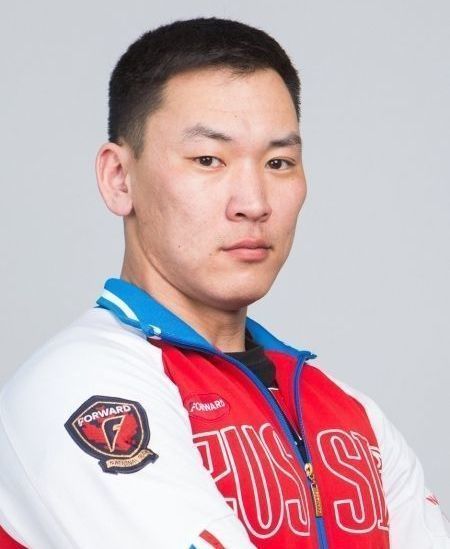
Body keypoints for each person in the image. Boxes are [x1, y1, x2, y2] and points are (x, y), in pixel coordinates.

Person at [0, 16, 448, 549]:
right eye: (209, 160)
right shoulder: (79, 391)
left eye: (279, 162)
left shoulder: (351, 413)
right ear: (119, 178)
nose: (254, 203)